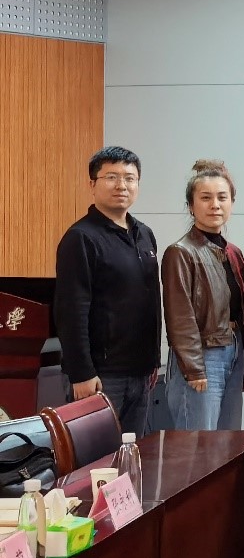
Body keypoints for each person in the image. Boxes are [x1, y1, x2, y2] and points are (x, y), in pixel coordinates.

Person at [54, 146, 161, 437]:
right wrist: (82, 373)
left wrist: (153, 360)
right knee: (95, 457)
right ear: (92, 184)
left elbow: (152, 301)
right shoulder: (81, 238)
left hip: (141, 372)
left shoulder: (144, 234)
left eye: (130, 178)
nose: (121, 185)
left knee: (130, 452)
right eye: (111, 177)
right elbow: (71, 310)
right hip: (100, 375)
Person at [161, 160, 244, 431]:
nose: (215, 205)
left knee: (228, 441)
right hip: (202, 355)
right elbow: (180, 316)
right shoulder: (181, 252)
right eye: (205, 198)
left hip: (234, 350)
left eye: (222, 197)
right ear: (191, 205)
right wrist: (193, 367)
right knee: (198, 443)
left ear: (232, 203)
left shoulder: (233, 253)